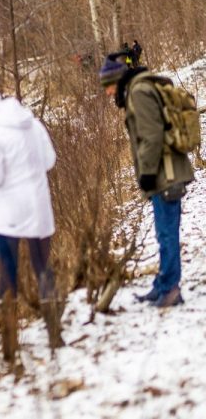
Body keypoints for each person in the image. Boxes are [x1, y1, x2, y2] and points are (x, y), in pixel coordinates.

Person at [0, 86, 64, 359]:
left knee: (8, 273)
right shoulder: (33, 124)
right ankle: (55, 334)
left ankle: (10, 347)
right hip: (38, 206)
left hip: (8, 212)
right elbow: (49, 160)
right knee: (43, 268)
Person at [99, 53, 194, 308]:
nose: (108, 93)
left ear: (117, 80)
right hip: (166, 171)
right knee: (164, 232)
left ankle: (171, 289)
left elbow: (151, 136)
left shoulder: (139, 92)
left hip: (166, 173)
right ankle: (162, 285)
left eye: (108, 86)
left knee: (167, 234)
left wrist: (147, 173)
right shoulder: (139, 87)